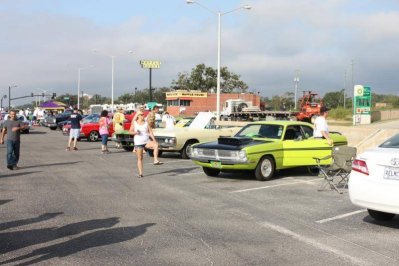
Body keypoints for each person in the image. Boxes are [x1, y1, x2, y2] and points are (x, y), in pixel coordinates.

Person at [129, 111, 163, 178]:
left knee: (156, 145)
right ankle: (140, 173)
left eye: (143, 115)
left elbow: (150, 132)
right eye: (141, 115)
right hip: (138, 143)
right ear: (138, 116)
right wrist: (135, 133)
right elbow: (130, 132)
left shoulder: (146, 123)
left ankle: (155, 160)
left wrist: (154, 140)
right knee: (140, 158)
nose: (142, 116)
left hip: (146, 141)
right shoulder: (135, 123)